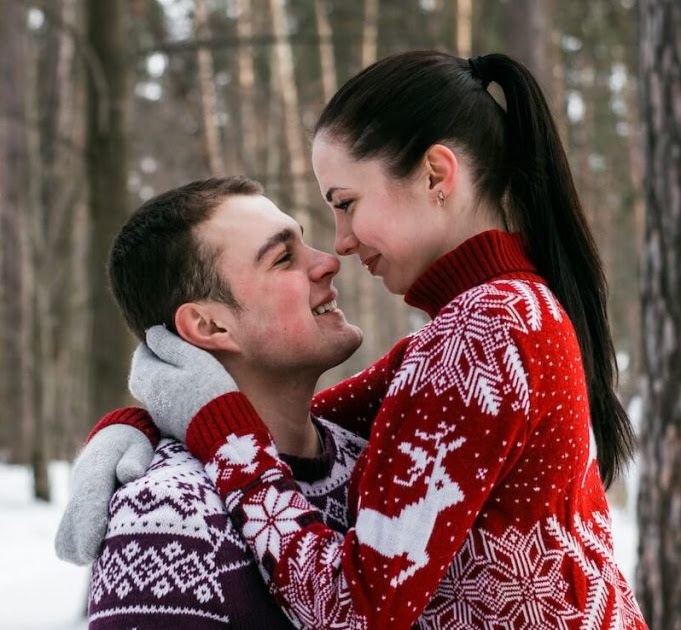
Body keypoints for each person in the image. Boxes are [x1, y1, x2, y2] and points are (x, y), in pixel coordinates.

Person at [59, 51, 648, 629]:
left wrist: (221, 433)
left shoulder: (485, 330)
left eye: (346, 204)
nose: (338, 246)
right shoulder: (500, 318)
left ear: (436, 175)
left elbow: (353, 612)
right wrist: (151, 422)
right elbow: (293, 421)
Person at [56, 176, 412, 627]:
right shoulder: (165, 519)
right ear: (208, 326)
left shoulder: (372, 459)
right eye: (284, 258)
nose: (328, 262)